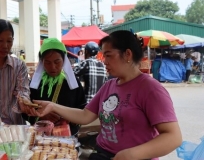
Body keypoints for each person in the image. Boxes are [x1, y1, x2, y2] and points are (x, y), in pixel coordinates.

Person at [31, 30, 182, 160]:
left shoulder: (150, 89)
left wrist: (131, 154)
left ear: (127, 54)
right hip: (103, 154)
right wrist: (52, 106)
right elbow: (85, 115)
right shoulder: (110, 85)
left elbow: (173, 137)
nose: (104, 62)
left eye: (108, 56)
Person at [27, 38, 87, 135]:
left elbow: (83, 109)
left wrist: (69, 117)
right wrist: (41, 117)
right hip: (41, 137)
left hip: (68, 137)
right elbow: (26, 111)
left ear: (64, 60)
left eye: (57, 61)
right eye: (47, 62)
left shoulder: (72, 83)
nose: (53, 67)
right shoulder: (35, 84)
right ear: (42, 62)